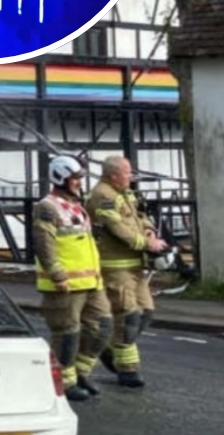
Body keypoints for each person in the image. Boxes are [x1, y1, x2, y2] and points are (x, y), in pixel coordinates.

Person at [32, 154, 112, 401]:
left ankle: (80, 373)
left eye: (80, 177)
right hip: (64, 285)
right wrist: (57, 274)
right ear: (60, 178)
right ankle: (65, 383)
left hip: (91, 282)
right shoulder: (47, 207)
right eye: (75, 178)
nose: (79, 182)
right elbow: (44, 244)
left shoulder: (76, 205)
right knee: (67, 334)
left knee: (102, 326)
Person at [85, 155, 169, 388]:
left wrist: (150, 230)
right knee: (127, 315)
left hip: (135, 266)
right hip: (115, 267)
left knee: (145, 312)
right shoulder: (103, 196)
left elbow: (140, 215)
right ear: (113, 175)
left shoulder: (125, 193)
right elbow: (117, 228)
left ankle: (109, 347)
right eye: (127, 172)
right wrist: (147, 244)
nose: (131, 176)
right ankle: (126, 369)